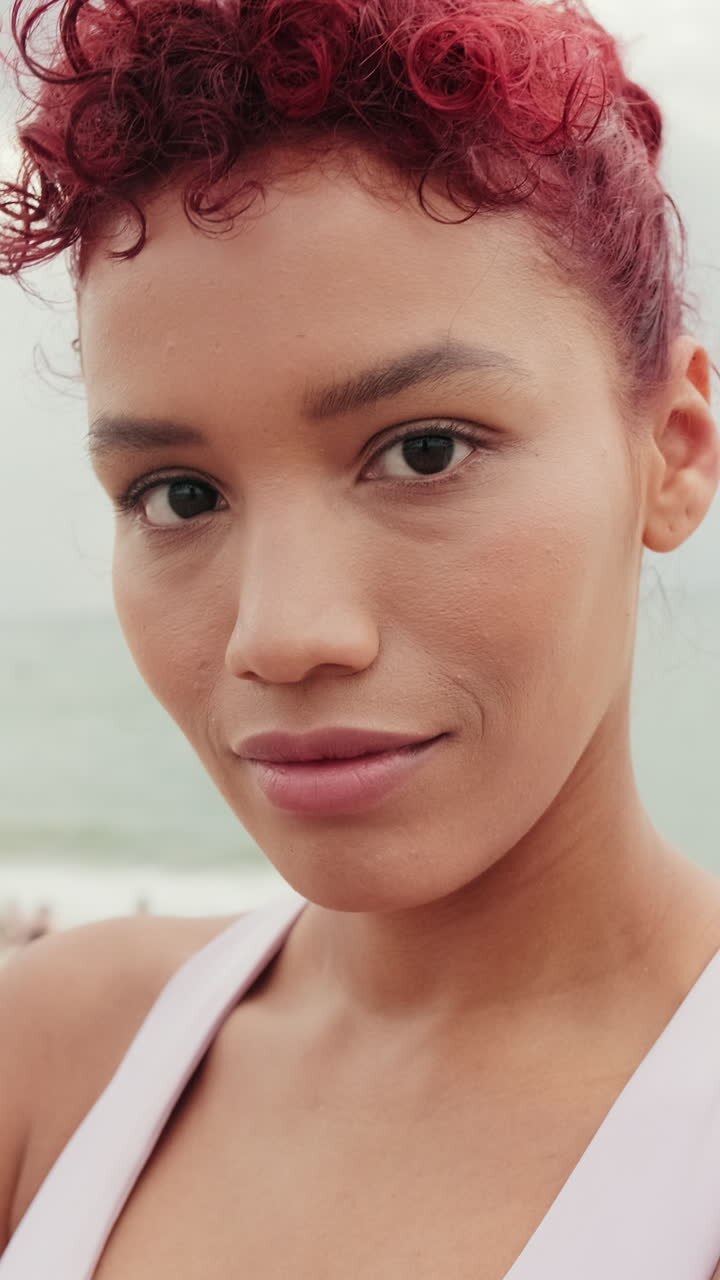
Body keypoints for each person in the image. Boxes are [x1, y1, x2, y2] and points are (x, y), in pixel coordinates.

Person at [1, 0, 719, 1275]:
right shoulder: (50, 1056)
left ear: (672, 451)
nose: (282, 636)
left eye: (423, 451)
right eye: (179, 493)